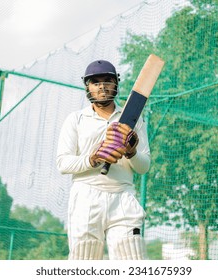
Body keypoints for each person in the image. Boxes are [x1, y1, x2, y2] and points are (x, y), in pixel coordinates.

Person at [56, 59, 151, 260]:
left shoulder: (134, 117)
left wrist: (131, 152)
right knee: (85, 261)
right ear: (87, 86)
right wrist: (93, 158)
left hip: (123, 196)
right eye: (95, 81)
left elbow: (144, 167)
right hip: (86, 197)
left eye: (107, 80)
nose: (102, 86)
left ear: (116, 83)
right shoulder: (76, 119)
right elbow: (63, 163)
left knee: (133, 261)